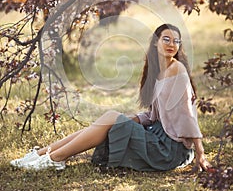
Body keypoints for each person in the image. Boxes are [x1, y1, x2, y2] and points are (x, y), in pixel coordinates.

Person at [10, 23, 212, 172]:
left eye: (176, 41)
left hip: (171, 149)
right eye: (166, 39)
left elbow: (187, 114)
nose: (171, 44)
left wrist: (200, 152)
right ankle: (41, 154)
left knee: (110, 118)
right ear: (155, 43)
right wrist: (131, 119)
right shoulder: (157, 71)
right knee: (104, 122)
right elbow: (155, 114)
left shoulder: (177, 69)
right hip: (158, 134)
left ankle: (55, 158)